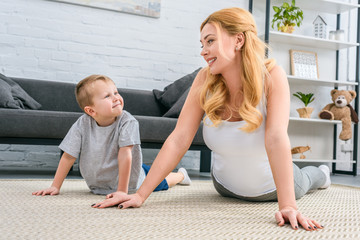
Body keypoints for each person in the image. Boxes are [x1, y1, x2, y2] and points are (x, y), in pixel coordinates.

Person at [91, 8, 331, 231]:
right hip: (224, 187)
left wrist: (288, 205)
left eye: (210, 41)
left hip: (271, 189)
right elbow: (179, 139)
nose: (203, 51)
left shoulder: (271, 75)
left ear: (239, 40)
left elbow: (276, 138)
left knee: (310, 177)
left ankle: (323, 173)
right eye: (202, 43)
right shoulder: (205, 79)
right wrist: (140, 195)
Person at [32, 74, 191, 197]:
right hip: (99, 184)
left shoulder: (128, 121)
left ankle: (180, 175)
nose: (116, 98)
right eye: (107, 96)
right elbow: (68, 156)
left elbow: (125, 154)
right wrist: (55, 186)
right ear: (91, 111)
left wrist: (122, 191)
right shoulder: (82, 124)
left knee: (160, 180)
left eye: (116, 92)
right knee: (149, 170)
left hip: (131, 179)